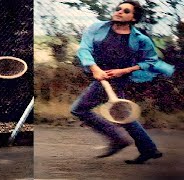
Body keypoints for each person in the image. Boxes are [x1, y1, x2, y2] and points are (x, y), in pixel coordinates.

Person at [71, 0, 174, 164]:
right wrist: (94, 68)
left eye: (126, 11)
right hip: (100, 74)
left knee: (79, 109)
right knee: (122, 114)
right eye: (118, 9)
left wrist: (125, 70)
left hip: (118, 79)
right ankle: (148, 148)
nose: (119, 12)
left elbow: (150, 61)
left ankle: (117, 139)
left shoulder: (141, 39)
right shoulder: (97, 28)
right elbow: (84, 48)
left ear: (133, 18)